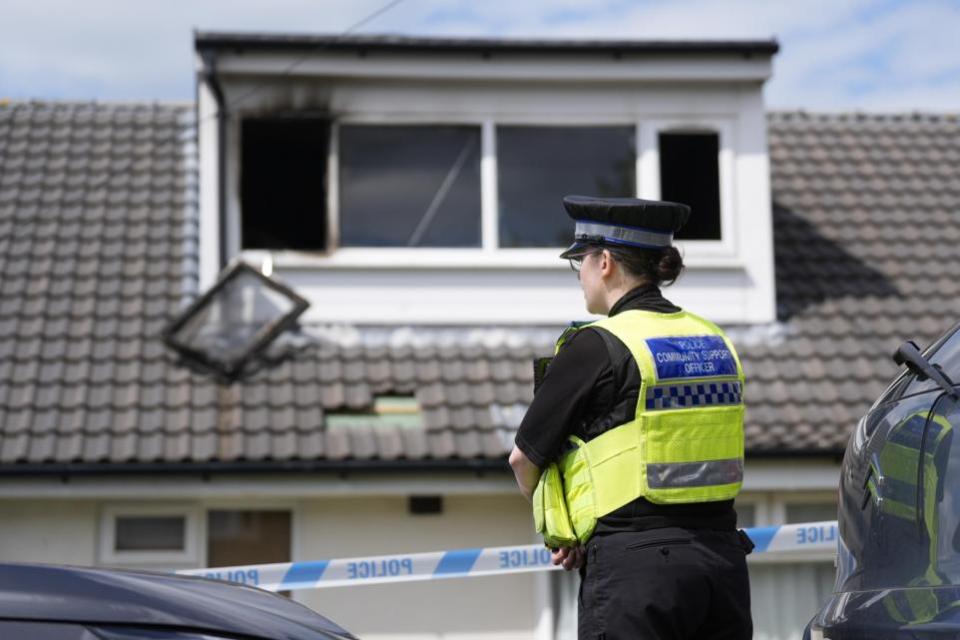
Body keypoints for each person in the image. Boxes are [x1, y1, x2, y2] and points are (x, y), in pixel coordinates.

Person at [509, 195, 753, 640]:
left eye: (579, 261)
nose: (579, 275)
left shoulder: (595, 345)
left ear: (604, 262)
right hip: (722, 565)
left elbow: (523, 459)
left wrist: (563, 533)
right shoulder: (713, 340)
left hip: (635, 573)